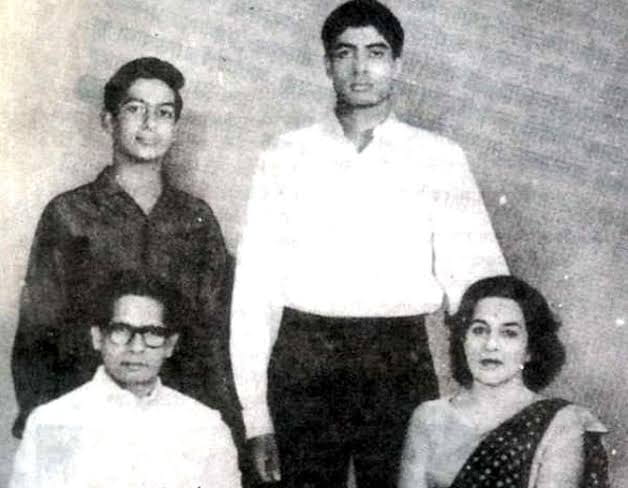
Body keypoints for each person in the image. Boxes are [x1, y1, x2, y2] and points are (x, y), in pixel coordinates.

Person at [230, 1, 508, 486]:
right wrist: (257, 418)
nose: (360, 67)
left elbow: (479, 288)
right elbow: (254, 297)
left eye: (376, 52)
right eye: (345, 53)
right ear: (327, 64)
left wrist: (488, 400)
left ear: (397, 64)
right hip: (304, 361)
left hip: (398, 359)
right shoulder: (285, 156)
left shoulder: (438, 158)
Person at [11, 57, 241, 440]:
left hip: (178, 416)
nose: (150, 124)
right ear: (108, 121)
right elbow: (38, 331)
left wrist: (225, 423)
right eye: (136, 109)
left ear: (175, 127)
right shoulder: (69, 214)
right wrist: (46, 421)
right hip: (89, 414)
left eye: (164, 113)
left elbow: (215, 332)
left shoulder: (195, 218)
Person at [9, 272, 241, 488]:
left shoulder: (206, 427)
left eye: (153, 333)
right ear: (98, 337)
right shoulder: (51, 421)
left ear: (170, 344)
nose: (137, 347)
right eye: (121, 330)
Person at [399, 275, 609, 488]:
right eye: (479, 330)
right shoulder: (428, 418)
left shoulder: (561, 421)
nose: (491, 345)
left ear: (530, 350)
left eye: (509, 333)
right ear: (463, 340)